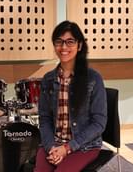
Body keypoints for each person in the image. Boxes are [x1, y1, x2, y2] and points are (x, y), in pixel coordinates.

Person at [34, 20, 107, 172]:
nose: (64, 47)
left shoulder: (93, 79)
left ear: (79, 45)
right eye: (59, 42)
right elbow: (45, 119)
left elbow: (99, 123)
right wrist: (51, 147)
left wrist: (67, 148)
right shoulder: (48, 79)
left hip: (84, 146)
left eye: (70, 42)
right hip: (53, 143)